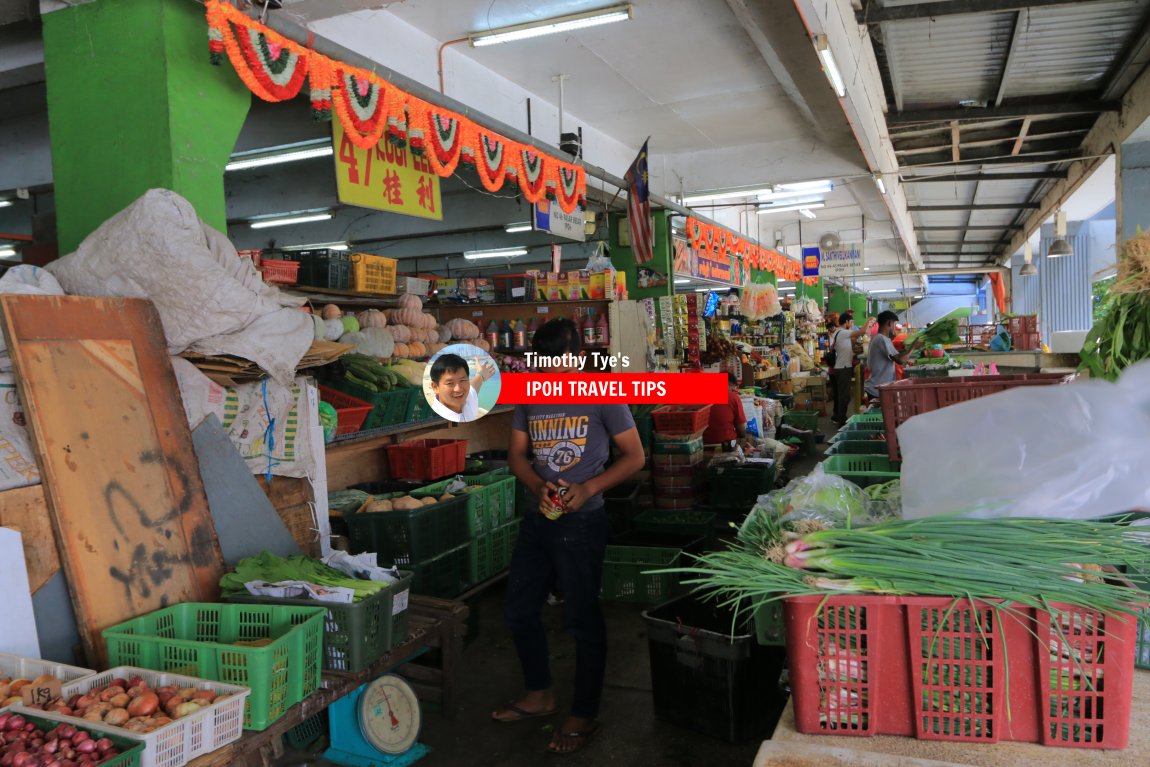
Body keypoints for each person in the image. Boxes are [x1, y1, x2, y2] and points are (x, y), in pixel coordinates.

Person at [494, 318, 646, 755]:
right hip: (539, 517)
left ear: (578, 357)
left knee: (581, 618)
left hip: (583, 522)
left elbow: (635, 456)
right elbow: (517, 456)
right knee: (519, 608)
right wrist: (535, 484)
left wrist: (588, 488)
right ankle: (539, 694)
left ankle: (584, 711)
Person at [427, 351, 495, 423]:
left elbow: (474, 386)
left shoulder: (467, 399)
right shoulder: (434, 420)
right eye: (450, 383)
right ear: (435, 387)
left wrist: (481, 374)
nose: (458, 389)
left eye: (462, 380)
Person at [828, 311, 871, 425]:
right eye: (851, 322)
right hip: (842, 369)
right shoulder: (842, 332)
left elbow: (852, 343)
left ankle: (841, 418)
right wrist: (868, 320)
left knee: (844, 396)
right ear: (846, 322)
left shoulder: (841, 333)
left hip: (843, 367)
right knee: (844, 397)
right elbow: (862, 332)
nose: (852, 324)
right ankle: (841, 421)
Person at [864, 311, 918, 398]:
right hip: (878, 389)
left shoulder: (878, 338)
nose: (894, 327)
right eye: (894, 324)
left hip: (877, 387)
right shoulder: (882, 339)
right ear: (889, 323)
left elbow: (895, 354)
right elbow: (900, 360)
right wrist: (914, 347)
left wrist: (907, 349)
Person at [703, 372, 751, 449]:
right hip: (726, 446)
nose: (734, 392)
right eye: (733, 389)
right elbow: (741, 431)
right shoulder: (732, 397)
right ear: (728, 385)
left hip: (701, 444)